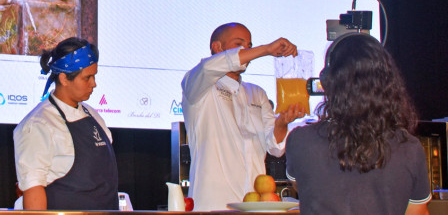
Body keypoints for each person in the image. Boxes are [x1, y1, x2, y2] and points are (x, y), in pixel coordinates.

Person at [286, 33, 431, 215]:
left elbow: (303, 185)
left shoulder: (300, 140)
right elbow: (417, 212)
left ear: (327, 82)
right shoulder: (410, 148)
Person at [181, 22, 306, 210]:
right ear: (218, 47)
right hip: (213, 204)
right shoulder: (198, 84)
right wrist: (266, 49)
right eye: (239, 44)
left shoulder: (257, 93)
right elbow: (209, 68)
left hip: (254, 203)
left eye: (249, 46)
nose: (247, 51)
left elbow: (275, 147)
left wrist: (282, 122)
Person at [13, 37, 118, 210]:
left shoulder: (94, 115)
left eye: (94, 76)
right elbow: (33, 191)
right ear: (63, 78)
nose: (94, 84)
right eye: (87, 78)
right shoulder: (38, 125)